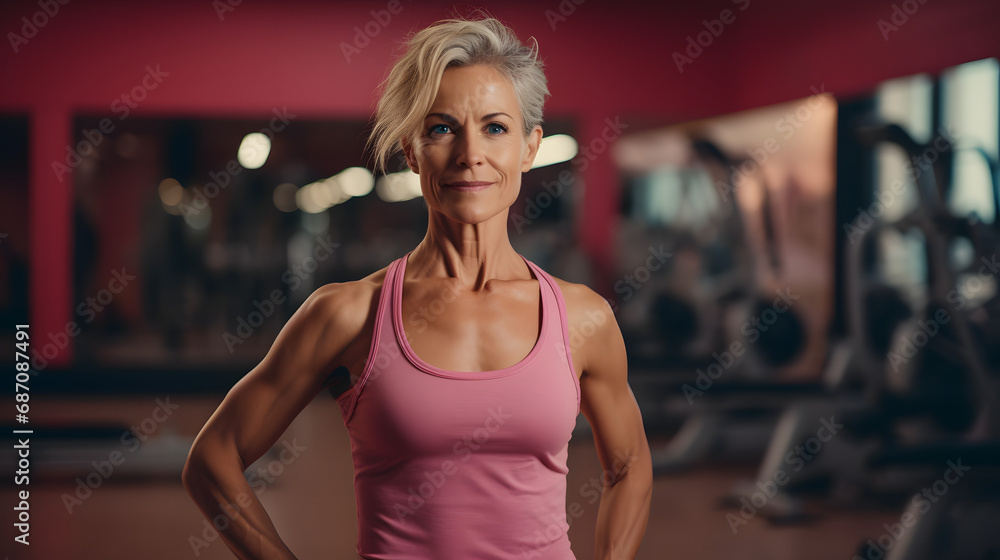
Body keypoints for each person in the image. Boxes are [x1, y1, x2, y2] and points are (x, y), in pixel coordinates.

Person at [182, 12, 652, 560]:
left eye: (495, 127)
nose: (469, 153)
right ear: (411, 151)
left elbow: (631, 465)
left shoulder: (584, 317)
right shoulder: (349, 313)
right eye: (441, 128)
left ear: (529, 147)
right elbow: (213, 459)